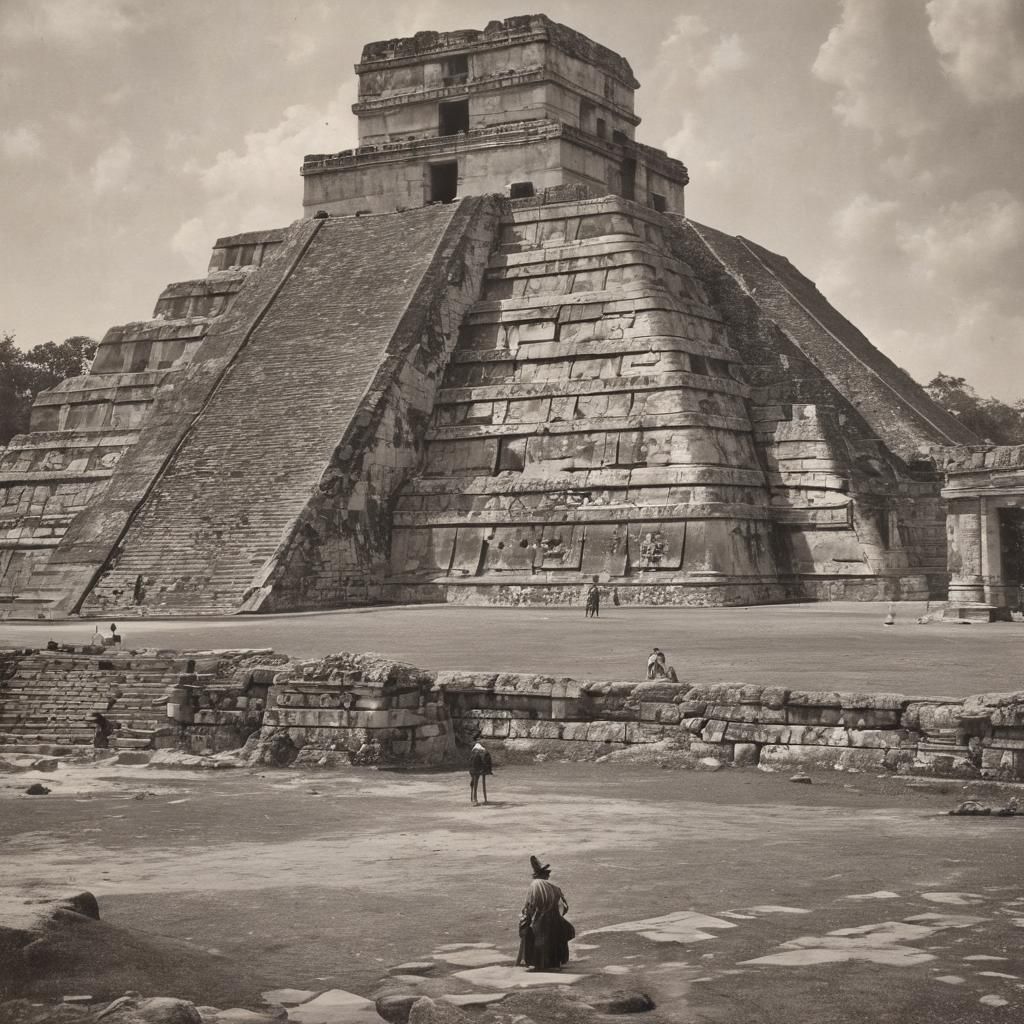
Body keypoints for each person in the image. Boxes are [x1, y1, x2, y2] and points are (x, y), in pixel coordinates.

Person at [516, 855, 573, 971]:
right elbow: (564, 906)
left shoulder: (534, 885)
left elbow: (530, 905)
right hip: (554, 919)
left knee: (538, 940)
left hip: (540, 920)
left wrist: (526, 918)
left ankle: (538, 965)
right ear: (545, 874)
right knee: (553, 940)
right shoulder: (554, 887)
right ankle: (553, 964)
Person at [469, 740, 493, 805]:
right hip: (477, 768)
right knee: (475, 780)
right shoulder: (481, 751)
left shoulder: (477, 751)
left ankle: (474, 798)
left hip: (477, 768)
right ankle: (475, 799)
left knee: (475, 780)